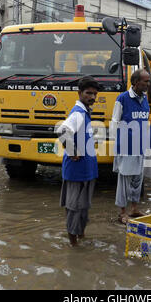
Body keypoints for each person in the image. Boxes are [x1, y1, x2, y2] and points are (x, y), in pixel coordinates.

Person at [56, 76, 100, 246]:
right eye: (89, 93)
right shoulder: (78, 113)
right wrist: (72, 150)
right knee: (74, 208)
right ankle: (73, 246)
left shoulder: (85, 113)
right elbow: (62, 131)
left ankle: (80, 238)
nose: (92, 97)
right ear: (79, 93)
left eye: (95, 94)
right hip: (76, 171)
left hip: (87, 170)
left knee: (83, 208)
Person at [111, 69, 151, 224]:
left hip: (140, 147)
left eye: (148, 81)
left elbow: (145, 123)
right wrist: (118, 145)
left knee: (137, 180)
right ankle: (122, 213)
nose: (148, 84)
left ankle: (134, 209)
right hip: (126, 147)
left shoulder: (145, 99)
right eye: (145, 81)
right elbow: (114, 122)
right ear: (135, 82)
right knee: (124, 181)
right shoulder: (123, 98)